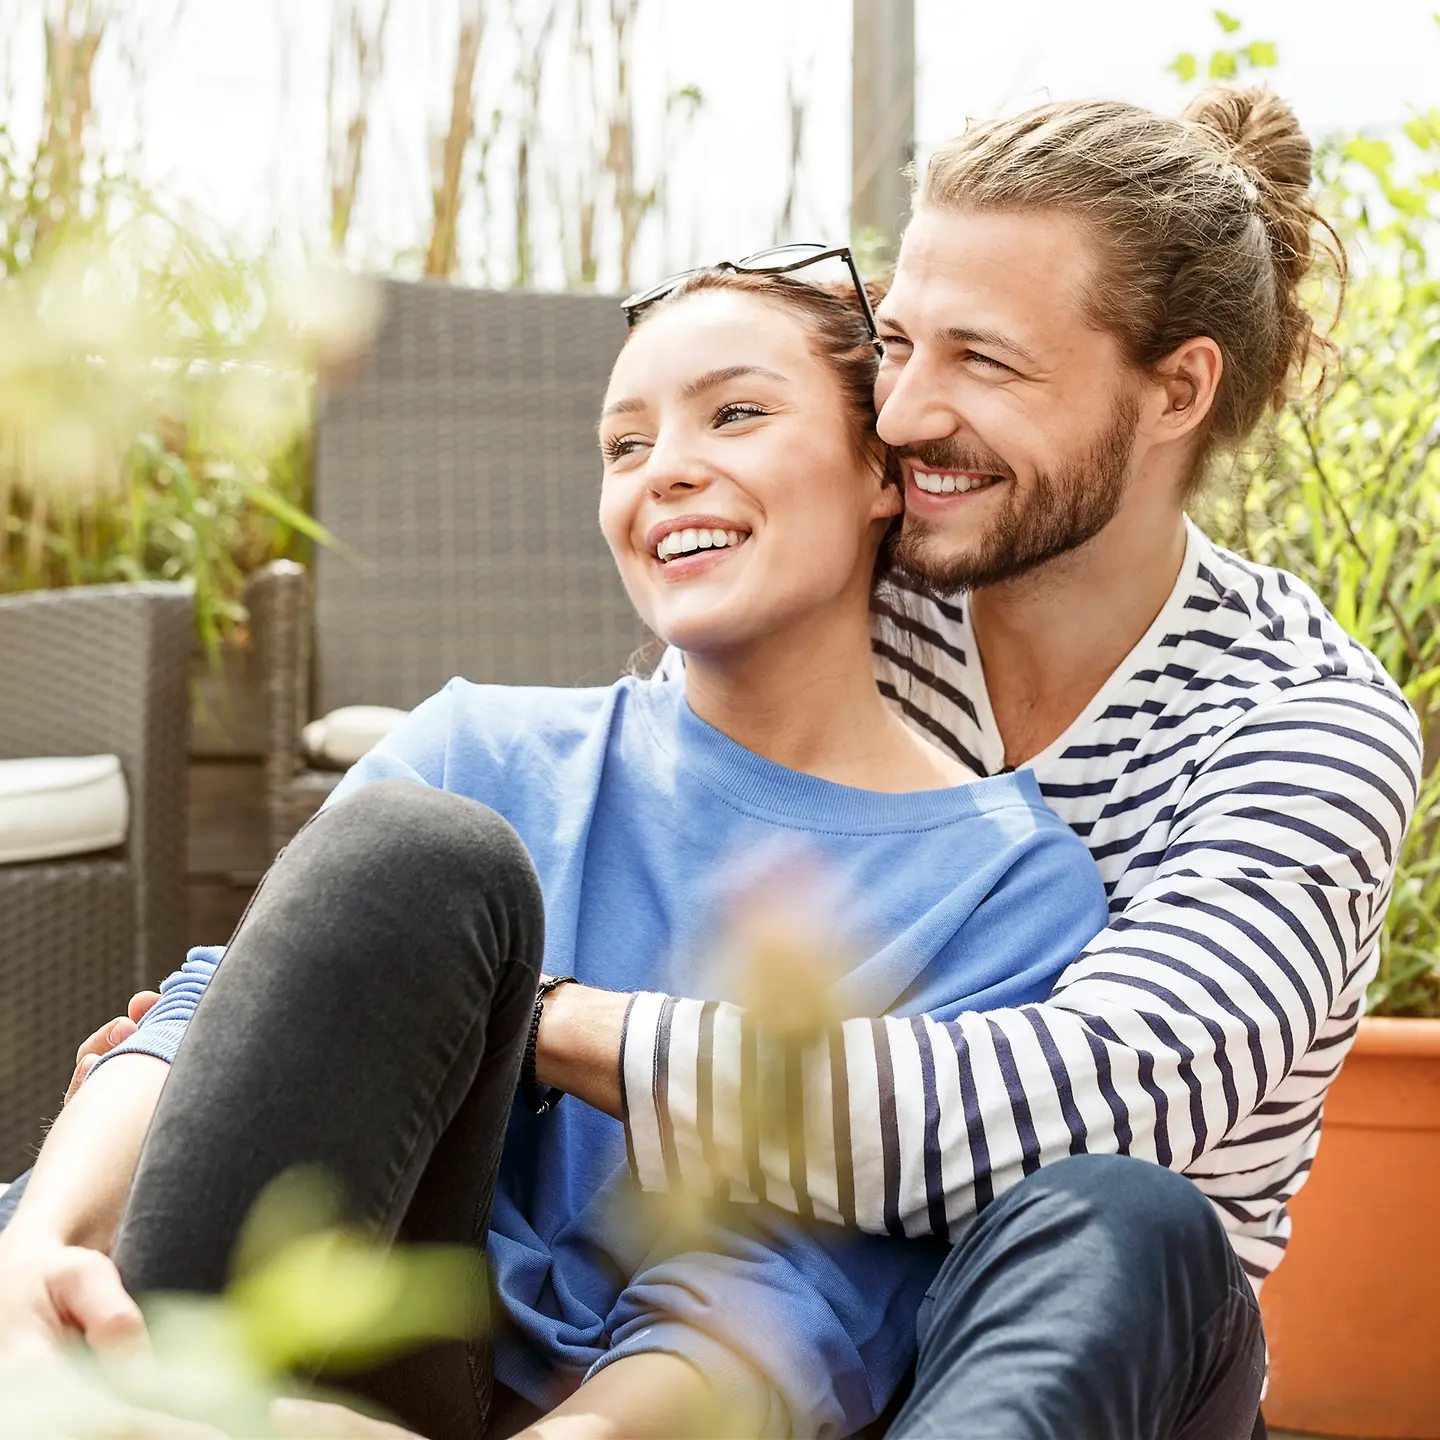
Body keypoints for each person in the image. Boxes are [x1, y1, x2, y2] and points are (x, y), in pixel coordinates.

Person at [19, 81, 1424, 1440]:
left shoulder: (1299, 730)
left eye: (982, 359)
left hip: (1073, 1333)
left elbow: (1061, 1108)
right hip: (642, 1326)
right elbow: (627, 805)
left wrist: (533, 1021)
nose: (910, 411)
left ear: (1176, 389)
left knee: (1109, 1211)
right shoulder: (878, 576)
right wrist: (225, 1062)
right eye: (902, 346)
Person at [0, 257, 1110, 1440]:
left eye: (736, 413)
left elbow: (792, 1301)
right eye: (624, 447)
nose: (667, 468)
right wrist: (34, 1252)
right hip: (251, 1337)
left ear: (881, 472)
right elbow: (212, 1015)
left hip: (550, 1418)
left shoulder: (1002, 883)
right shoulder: (480, 742)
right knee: (413, 859)